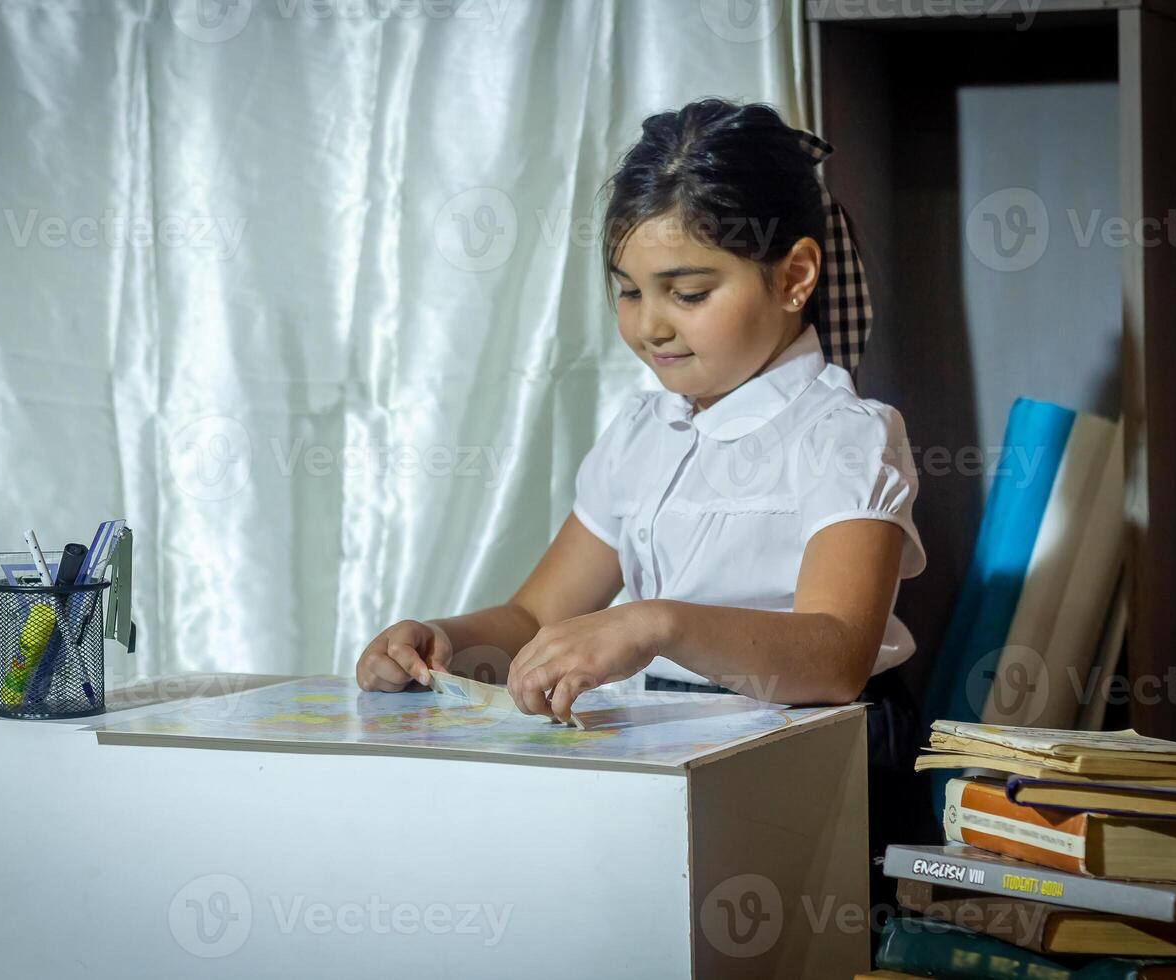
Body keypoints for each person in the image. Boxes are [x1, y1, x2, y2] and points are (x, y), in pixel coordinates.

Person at [357, 101, 930, 890]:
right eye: (628, 292)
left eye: (687, 293)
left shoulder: (844, 435)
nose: (650, 326)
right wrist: (440, 641)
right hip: (675, 757)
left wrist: (652, 623)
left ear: (795, 276)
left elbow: (835, 658)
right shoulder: (640, 431)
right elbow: (533, 619)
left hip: (818, 763)